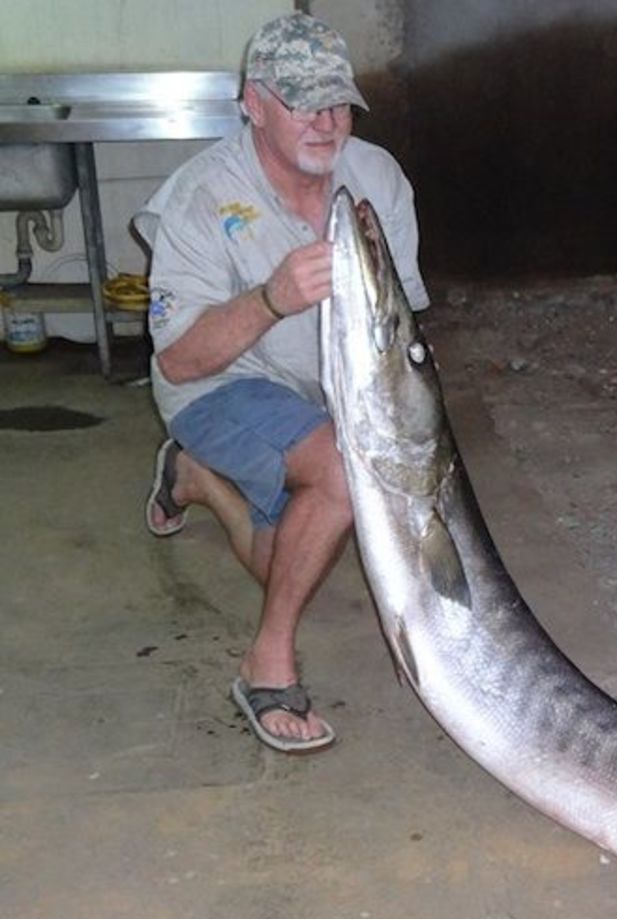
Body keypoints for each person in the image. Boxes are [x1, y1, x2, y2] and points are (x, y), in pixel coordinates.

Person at [137, 12, 429, 753]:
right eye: (303, 101)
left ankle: (195, 480)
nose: (327, 121)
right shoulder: (198, 198)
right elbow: (179, 361)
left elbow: (402, 323)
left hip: (325, 396)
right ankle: (266, 662)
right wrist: (271, 298)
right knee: (339, 469)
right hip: (219, 386)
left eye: (338, 102)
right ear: (253, 102)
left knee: (284, 558)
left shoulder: (378, 177)